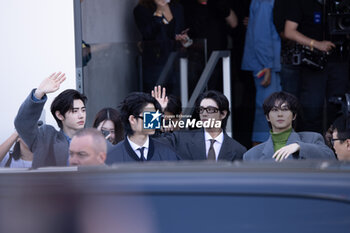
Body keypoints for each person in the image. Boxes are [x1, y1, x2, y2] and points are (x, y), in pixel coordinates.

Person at [283, 0, 349, 133]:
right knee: (311, 110)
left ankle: (336, 147)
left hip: (340, 60)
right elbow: (289, 31)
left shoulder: (343, 3)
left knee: (338, 109)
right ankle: (312, 147)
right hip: (313, 63)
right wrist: (316, 44)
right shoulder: (302, 3)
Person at [153, 86, 247, 161]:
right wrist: (154, 111)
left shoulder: (238, 150)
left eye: (210, 110)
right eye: (201, 109)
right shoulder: (181, 139)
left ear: (223, 114)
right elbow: (151, 142)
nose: (204, 114)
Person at [14, 72, 87, 168]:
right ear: (60, 115)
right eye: (75, 111)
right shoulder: (47, 138)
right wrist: (38, 94)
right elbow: (22, 124)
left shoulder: (92, 141)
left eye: (83, 110)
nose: (81, 115)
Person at [243, 91, 336, 161]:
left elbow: (330, 158)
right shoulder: (252, 155)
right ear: (267, 117)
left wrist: (300, 147)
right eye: (275, 110)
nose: (280, 114)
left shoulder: (312, 139)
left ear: (294, 116)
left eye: (285, 109)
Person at [241, 0, 282, 145]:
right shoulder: (265, 2)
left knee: (271, 111)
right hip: (265, 65)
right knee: (268, 111)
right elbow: (261, 35)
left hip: (268, 62)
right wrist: (267, 65)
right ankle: (260, 159)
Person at [106, 92, 179, 163]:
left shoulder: (167, 153)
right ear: (132, 119)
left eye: (156, 117)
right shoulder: (112, 157)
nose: (154, 122)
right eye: (149, 117)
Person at [134, 0, 188, 94]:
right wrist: (158, 13)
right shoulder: (142, 9)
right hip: (155, 62)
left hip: (176, 61)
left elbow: (180, 31)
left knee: (176, 97)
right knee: (155, 97)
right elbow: (148, 34)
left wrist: (184, 39)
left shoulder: (177, 7)